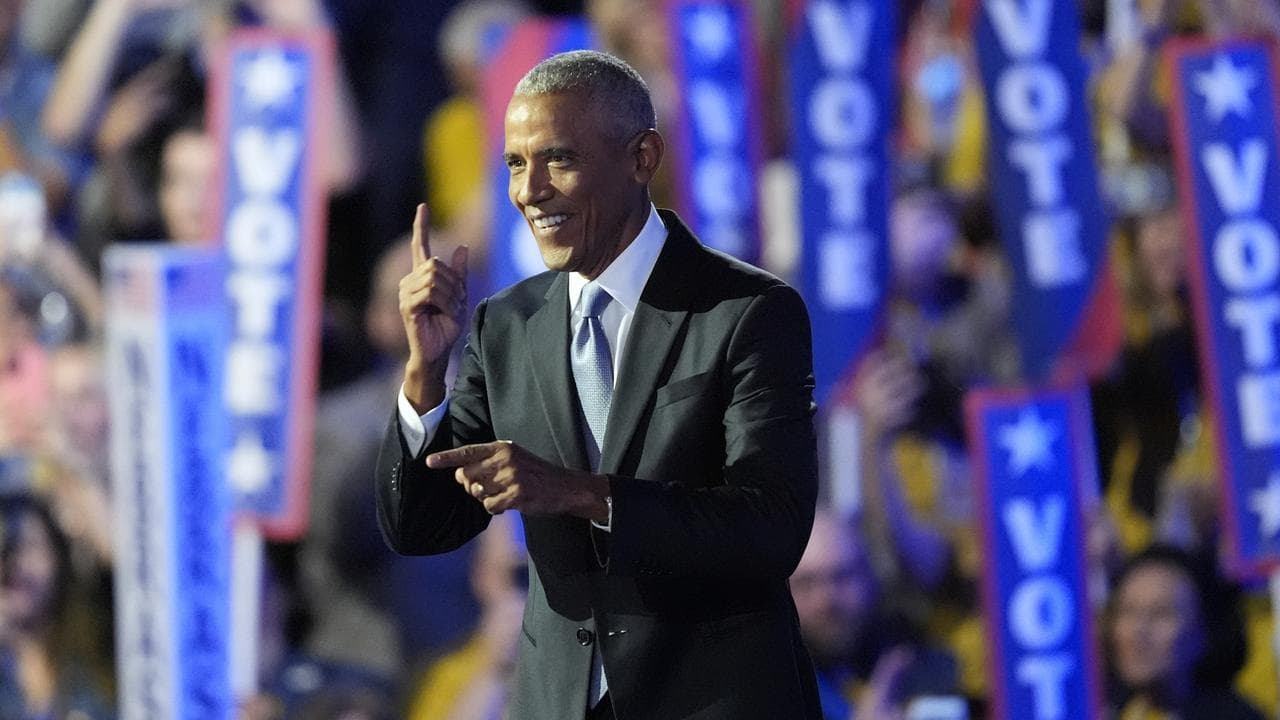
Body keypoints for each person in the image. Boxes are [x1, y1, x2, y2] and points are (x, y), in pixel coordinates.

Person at [376, 50, 820, 719]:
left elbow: (772, 528)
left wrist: (583, 494)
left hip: (714, 699)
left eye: (558, 159)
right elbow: (421, 525)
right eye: (516, 165)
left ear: (643, 157)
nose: (529, 191)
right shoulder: (508, 323)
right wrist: (425, 373)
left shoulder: (748, 311)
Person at [1105, 545, 1263, 720]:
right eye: (1128, 611)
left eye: (1160, 614)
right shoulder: (1106, 711)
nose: (1138, 630)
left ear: (1204, 631)